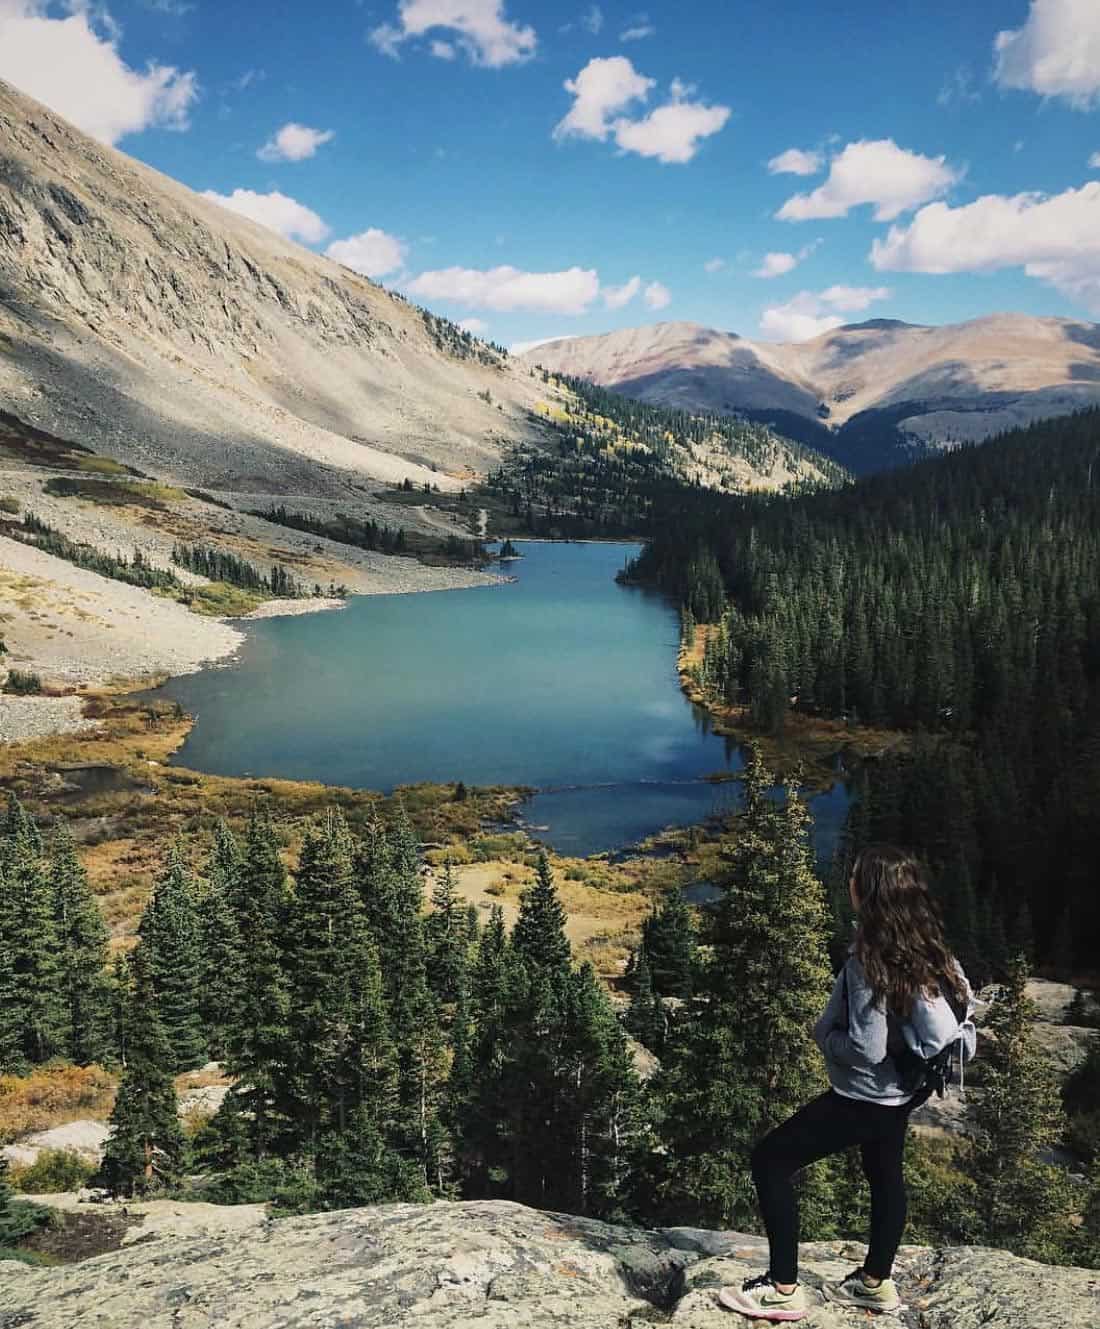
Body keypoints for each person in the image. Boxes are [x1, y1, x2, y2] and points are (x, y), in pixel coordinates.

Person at [720, 844, 976, 1321]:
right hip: (905, 1091)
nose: (849, 883)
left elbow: (865, 1048)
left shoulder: (869, 958)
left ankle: (782, 1290)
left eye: (855, 877)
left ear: (871, 893)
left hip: (866, 1096)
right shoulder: (929, 947)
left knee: (771, 1161)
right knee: (884, 1173)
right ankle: (874, 1284)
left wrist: (825, 1037)